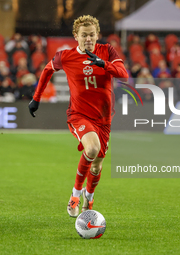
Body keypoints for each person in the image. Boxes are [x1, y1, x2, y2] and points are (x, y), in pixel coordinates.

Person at [28, 15, 128, 217]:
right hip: (79, 115)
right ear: (76, 36)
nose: (89, 39)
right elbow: (47, 70)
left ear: (97, 34)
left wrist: (103, 64)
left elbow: (123, 74)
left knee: (97, 165)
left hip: (104, 119)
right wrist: (36, 98)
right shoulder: (65, 56)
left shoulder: (107, 51)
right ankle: (74, 195)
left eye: (92, 35)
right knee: (92, 148)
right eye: (84, 35)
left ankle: (88, 199)